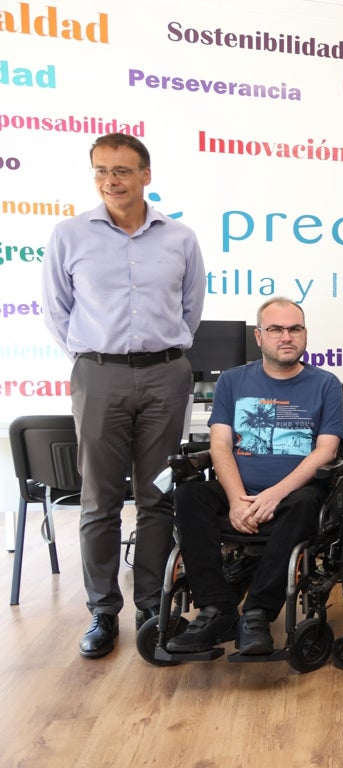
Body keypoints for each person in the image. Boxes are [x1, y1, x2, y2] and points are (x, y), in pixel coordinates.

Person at [42, 132, 207, 658]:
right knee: (99, 501)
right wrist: (93, 359)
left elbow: (191, 309)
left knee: (159, 497)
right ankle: (102, 613)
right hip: (99, 374)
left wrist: (162, 358)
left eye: (122, 171)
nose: (111, 180)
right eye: (101, 171)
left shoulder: (180, 238)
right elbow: (55, 310)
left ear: (146, 175)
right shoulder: (69, 235)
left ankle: (151, 609)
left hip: (165, 375)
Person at [166, 299, 343, 654]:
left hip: (294, 494)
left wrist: (273, 495)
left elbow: (325, 450)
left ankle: (257, 615)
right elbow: (220, 445)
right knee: (189, 496)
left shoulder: (326, 384)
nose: (286, 337)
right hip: (241, 491)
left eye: (295, 329)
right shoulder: (234, 381)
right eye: (276, 329)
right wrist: (236, 500)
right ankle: (217, 610)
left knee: (308, 502)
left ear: (305, 334)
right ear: (259, 336)